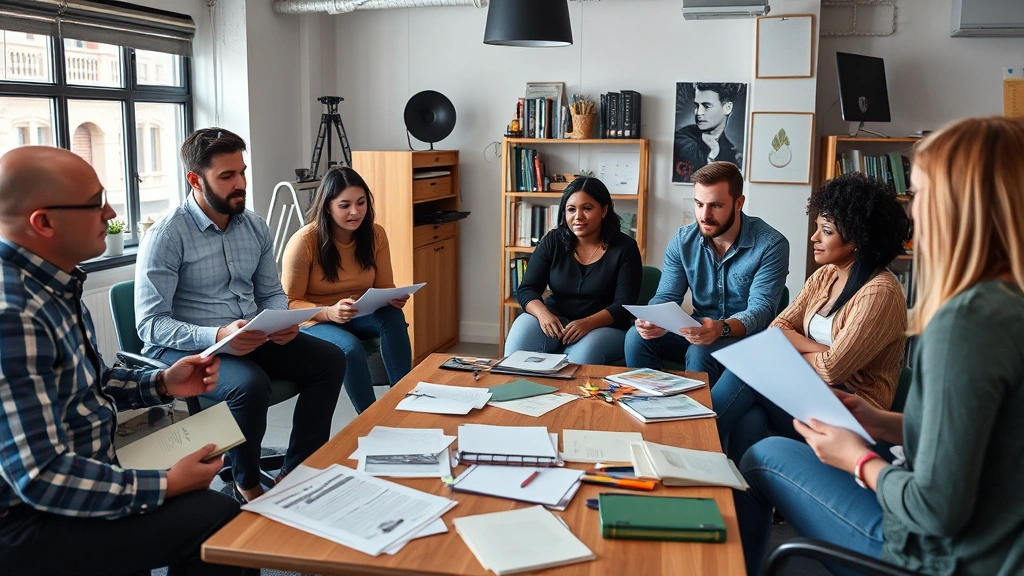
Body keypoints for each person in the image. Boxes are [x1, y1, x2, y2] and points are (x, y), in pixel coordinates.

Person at [736, 117, 1024, 575]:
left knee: (758, 454)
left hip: (947, 555)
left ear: (960, 204)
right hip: (985, 533)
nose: (914, 211)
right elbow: (980, 440)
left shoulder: (967, 320)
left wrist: (857, 457)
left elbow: (935, 510)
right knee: (752, 414)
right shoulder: (1007, 305)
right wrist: (879, 421)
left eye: (920, 194)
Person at [0, 146, 255, 576]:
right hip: (30, 518)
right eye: (95, 203)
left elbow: (90, 382)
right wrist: (166, 484)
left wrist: (162, 383)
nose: (111, 211)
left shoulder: (54, 282)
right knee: (222, 523)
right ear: (42, 222)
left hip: (92, 467)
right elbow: (40, 478)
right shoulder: (13, 314)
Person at [136, 127, 346, 503]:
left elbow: (270, 293)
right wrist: (217, 335)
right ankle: (246, 483)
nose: (240, 184)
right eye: (227, 176)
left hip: (251, 335)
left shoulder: (254, 225)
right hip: (187, 349)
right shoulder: (167, 235)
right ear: (195, 180)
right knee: (249, 385)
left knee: (330, 359)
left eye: (243, 172)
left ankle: (296, 471)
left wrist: (283, 322)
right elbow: (150, 324)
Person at [712, 172, 910, 461]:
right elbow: (777, 328)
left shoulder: (880, 292)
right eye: (817, 227)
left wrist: (793, 346)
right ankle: (736, 498)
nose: (814, 237)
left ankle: (688, 449)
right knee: (750, 418)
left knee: (751, 370)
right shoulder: (825, 275)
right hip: (813, 393)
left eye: (826, 231)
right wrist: (823, 351)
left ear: (857, 237)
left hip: (850, 417)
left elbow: (832, 371)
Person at [625, 161, 788, 385]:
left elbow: (761, 312)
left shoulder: (771, 245)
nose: (704, 215)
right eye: (699, 204)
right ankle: (652, 407)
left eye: (716, 206)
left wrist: (720, 329)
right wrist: (653, 319)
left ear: (738, 203)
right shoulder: (683, 240)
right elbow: (666, 296)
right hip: (699, 331)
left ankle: (693, 418)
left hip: (745, 339)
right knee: (636, 338)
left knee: (701, 351)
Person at [281, 166, 411, 413]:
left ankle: (403, 402)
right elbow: (289, 303)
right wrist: (329, 312)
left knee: (393, 316)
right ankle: (370, 416)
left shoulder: (375, 234)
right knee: (349, 346)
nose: (355, 212)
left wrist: (392, 297)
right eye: (344, 205)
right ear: (327, 206)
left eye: (361, 203)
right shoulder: (305, 241)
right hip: (315, 321)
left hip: (357, 314)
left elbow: (384, 286)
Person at [504, 177, 642, 365]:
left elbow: (624, 304)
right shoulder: (553, 240)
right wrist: (543, 314)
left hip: (602, 327)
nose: (578, 216)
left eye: (587, 208)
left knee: (581, 358)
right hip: (556, 320)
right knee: (520, 337)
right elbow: (527, 289)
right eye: (571, 209)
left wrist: (587, 323)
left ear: (604, 210)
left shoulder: (625, 248)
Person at [674, 82, 743, 181]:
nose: (699, 113)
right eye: (697, 106)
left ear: (727, 108)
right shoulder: (681, 139)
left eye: (706, 106)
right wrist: (712, 155)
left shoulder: (731, 152)